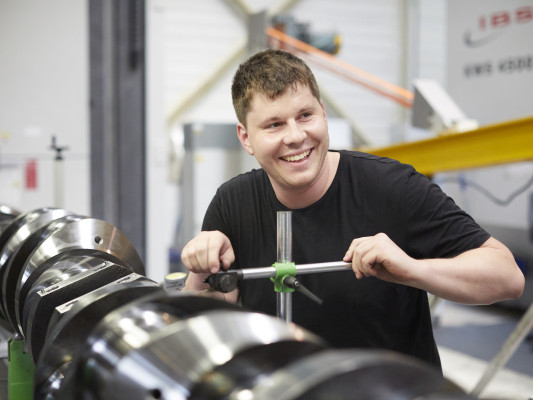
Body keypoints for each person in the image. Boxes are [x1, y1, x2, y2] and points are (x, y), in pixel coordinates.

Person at [181, 49, 524, 371]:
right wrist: (200, 269)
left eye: (305, 115)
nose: (296, 136)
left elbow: (507, 278)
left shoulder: (392, 187)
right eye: (274, 125)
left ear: (323, 113)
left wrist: (412, 269)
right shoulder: (232, 202)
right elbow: (207, 326)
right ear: (246, 138)